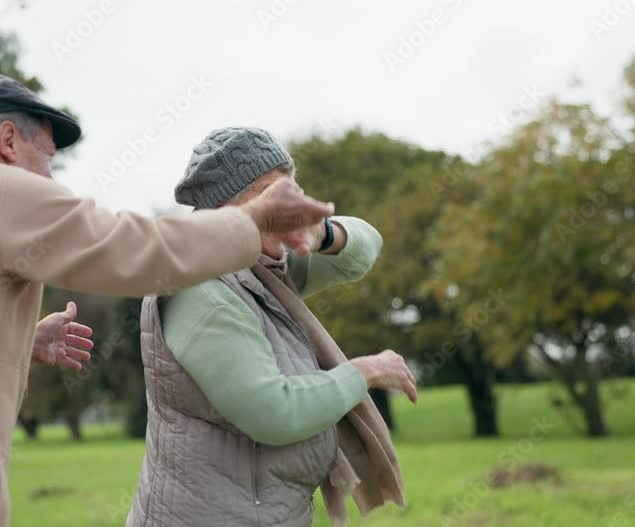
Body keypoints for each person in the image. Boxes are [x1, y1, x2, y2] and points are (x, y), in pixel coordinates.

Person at [0, 71, 334, 527]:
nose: (50, 178)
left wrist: (16, 341)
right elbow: (135, 250)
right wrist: (250, 223)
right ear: (6, 141)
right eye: (47, 159)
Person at [127, 127, 418, 527]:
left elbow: (365, 248)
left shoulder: (262, 267)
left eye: (292, 192)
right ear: (227, 212)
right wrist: (364, 372)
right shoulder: (199, 288)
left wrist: (323, 232)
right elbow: (273, 412)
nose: (291, 208)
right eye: (271, 195)